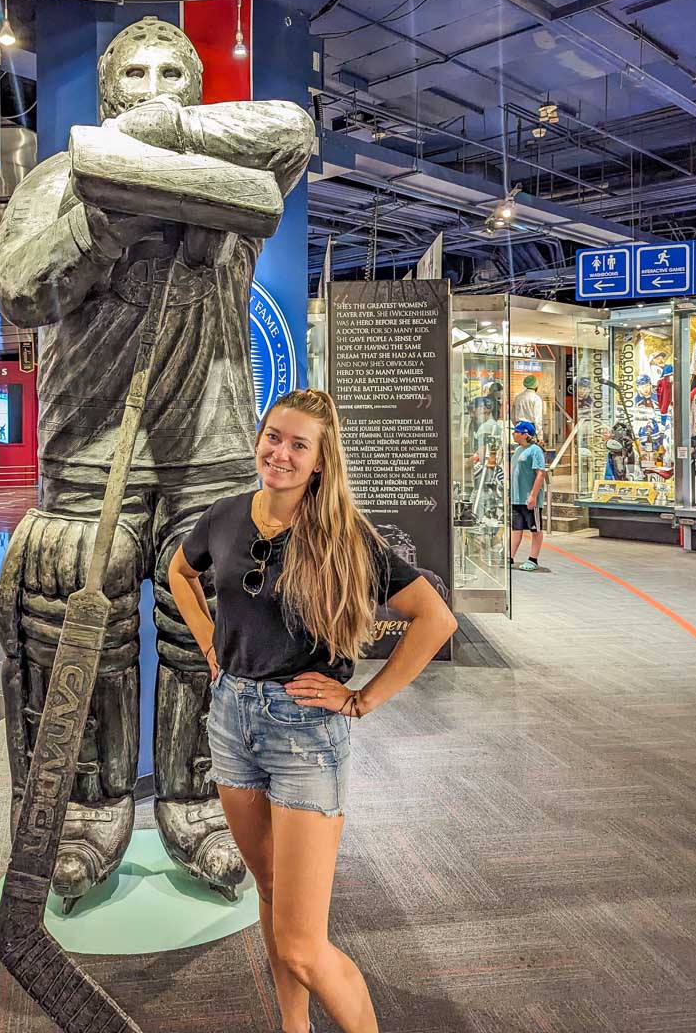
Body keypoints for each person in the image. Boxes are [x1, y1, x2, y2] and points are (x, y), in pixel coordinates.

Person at [0, 15, 315, 909]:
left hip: (209, 445)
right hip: (93, 441)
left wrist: (164, 140)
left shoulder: (234, 170)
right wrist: (104, 218)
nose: (157, 83)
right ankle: (86, 810)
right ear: (107, 89)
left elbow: (294, 126)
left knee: (210, 633)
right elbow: (19, 289)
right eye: (137, 74)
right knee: (71, 616)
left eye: (176, 72)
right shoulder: (59, 178)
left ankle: (196, 801)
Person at [168, 389, 456, 1033]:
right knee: (269, 894)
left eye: (300, 445)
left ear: (321, 461)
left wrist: (364, 699)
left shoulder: (344, 536)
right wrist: (210, 640)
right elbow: (179, 573)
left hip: (303, 734)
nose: (281, 453)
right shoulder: (223, 516)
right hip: (231, 721)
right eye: (275, 436)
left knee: (302, 942)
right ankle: (293, 1028)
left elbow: (434, 618)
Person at [510, 420, 546, 572]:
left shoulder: (535, 450)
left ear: (524, 434)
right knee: (516, 528)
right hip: (516, 497)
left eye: (516, 432)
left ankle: (533, 559)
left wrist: (532, 496)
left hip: (529, 499)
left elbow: (540, 474)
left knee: (535, 529)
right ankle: (510, 557)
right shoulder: (518, 450)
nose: (513, 434)